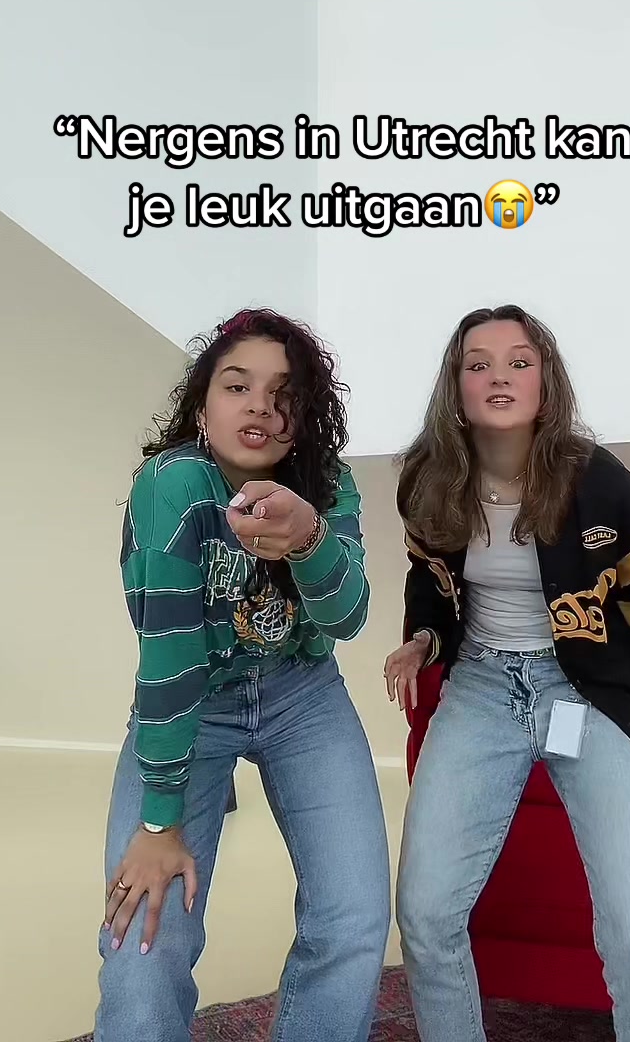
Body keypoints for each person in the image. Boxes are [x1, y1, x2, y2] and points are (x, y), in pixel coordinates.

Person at [383, 304, 630, 1042]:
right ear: (456, 386)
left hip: (588, 693)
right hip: (481, 689)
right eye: (479, 364)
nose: (500, 376)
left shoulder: (602, 484)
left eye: (519, 362)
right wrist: (423, 639)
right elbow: (430, 579)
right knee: (425, 916)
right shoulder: (429, 480)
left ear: (545, 382)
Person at [94, 308, 390, 1042]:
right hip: (197, 696)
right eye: (237, 386)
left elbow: (346, 619)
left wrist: (309, 538)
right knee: (146, 927)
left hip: (302, 694)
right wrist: (159, 820)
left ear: (304, 416)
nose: (259, 405)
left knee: (354, 914)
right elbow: (169, 654)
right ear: (203, 405)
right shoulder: (173, 486)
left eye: (283, 394)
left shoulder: (326, 484)